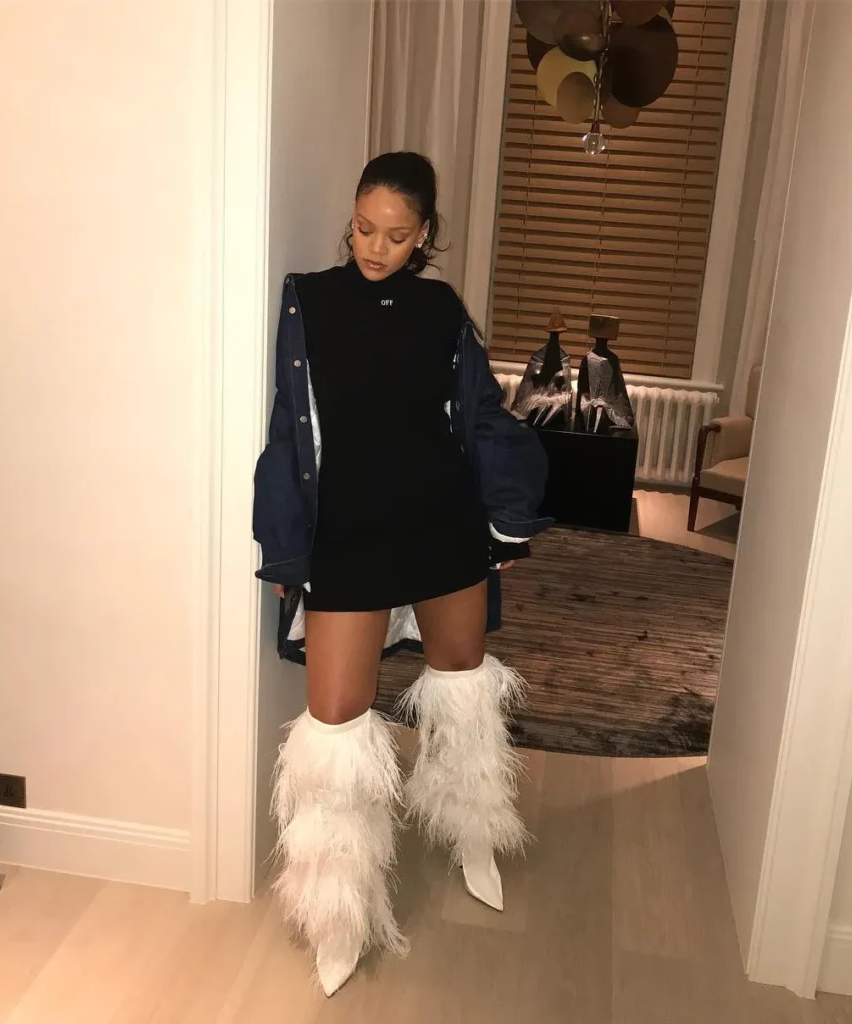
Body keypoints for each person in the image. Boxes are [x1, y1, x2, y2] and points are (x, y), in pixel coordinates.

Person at [252, 151, 552, 996]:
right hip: (348, 534)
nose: (373, 247)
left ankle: (472, 831)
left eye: (394, 234)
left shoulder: (439, 309)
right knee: (334, 725)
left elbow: (481, 415)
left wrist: (504, 516)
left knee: (462, 688)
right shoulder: (308, 300)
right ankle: (337, 910)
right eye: (362, 227)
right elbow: (289, 427)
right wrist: (286, 543)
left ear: (424, 235)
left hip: (439, 523)